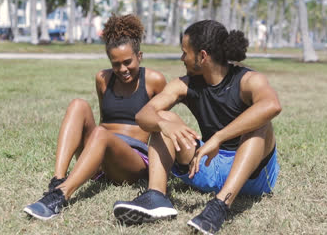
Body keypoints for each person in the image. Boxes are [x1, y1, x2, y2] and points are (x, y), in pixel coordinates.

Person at [113, 20, 282, 234]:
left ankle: (219, 206)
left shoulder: (247, 80)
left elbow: (272, 105)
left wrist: (218, 138)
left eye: (185, 52)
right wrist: (164, 124)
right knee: (162, 116)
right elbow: (143, 115)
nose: (182, 58)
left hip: (253, 177)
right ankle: (156, 196)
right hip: (207, 167)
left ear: (202, 56)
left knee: (260, 123)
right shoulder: (185, 84)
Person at [23, 14, 166, 220]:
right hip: (101, 152)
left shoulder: (154, 80)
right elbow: (103, 118)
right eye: (116, 64)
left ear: (140, 56)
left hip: (132, 161)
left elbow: (162, 129)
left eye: (128, 62)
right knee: (78, 105)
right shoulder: (103, 78)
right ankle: (58, 180)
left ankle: (60, 196)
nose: (122, 69)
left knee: (101, 133)